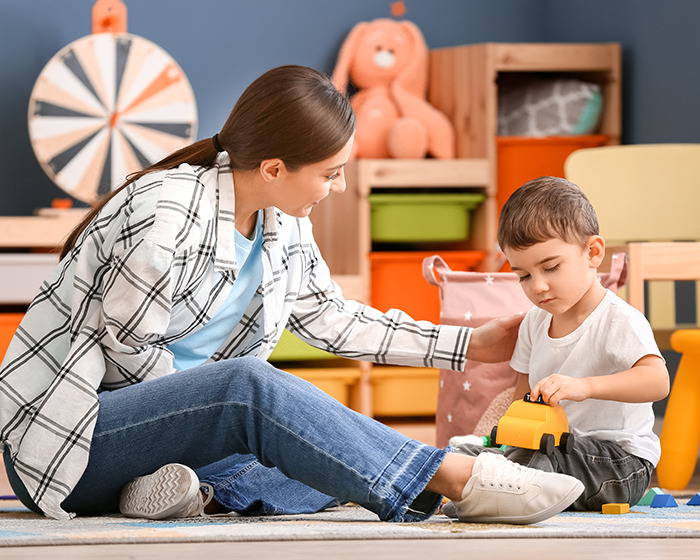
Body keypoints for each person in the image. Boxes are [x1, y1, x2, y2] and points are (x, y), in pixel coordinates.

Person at [0, 66, 583, 524]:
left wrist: (467, 344)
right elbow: (131, 357)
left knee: (330, 454)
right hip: (72, 442)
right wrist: (224, 422)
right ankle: (454, 477)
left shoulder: (283, 222)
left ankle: (187, 493)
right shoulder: (166, 212)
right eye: (331, 173)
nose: (341, 186)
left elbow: (330, 318)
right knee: (255, 394)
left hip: (179, 444)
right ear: (275, 167)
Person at [446, 176, 670, 514]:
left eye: (551, 267)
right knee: (459, 456)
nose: (538, 287)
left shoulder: (618, 319)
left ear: (592, 253)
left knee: (530, 459)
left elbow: (657, 381)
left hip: (620, 464)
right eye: (523, 275)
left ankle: (490, 494)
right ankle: (472, 486)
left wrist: (584, 386)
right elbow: (523, 397)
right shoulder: (534, 323)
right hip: (553, 450)